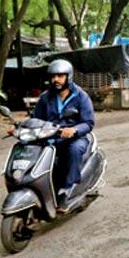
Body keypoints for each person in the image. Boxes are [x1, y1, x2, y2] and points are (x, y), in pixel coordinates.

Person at [27, 59, 95, 202]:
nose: (55, 79)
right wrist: (21, 127)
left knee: (74, 149)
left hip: (75, 138)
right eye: (53, 76)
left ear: (68, 77)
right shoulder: (45, 98)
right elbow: (35, 118)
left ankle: (67, 188)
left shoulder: (81, 97)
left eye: (60, 76)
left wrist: (74, 130)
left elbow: (88, 123)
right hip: (49, 136)